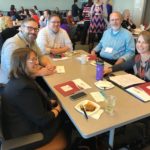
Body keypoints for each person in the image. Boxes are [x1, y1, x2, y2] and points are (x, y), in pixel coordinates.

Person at [2, 48, 67, 149]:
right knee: (67, 117)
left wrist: (50, 102)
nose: (37, 62)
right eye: (33, 60)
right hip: (28, 136)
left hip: (20, 124)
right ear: (22, 64)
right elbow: (43, 120)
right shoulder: (24, 88)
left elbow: (29, 105)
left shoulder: (18, 79)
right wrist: (59, 108)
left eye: (36, 59)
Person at [1, 18, 55, 83]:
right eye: (29, 28)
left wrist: (48, 65)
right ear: (21, 28)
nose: (33, 32)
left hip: (28, 76)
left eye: (36, 29)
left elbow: (40, 56)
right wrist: (39, 72)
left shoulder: (31, 40)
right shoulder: (12, 44)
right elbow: (14, 72)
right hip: (11, 83)